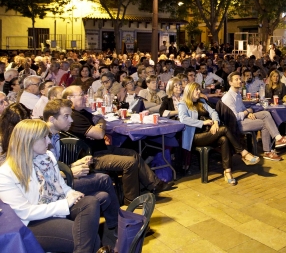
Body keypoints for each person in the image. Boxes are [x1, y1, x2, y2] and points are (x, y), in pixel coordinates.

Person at [0, 119, 103, 253]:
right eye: (44, 138)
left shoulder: (47, 156)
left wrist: (71, 193)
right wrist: (65, 204)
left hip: (54, 205)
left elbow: (61, 185)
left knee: (91, 202)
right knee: (92, 239)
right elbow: (25, 212)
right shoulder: (6, 173)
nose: (49, 142)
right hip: (32, 222)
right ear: (29, 141)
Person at [63, 86, 173, 205]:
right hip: (92, 157)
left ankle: (154, 184)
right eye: (81, 94)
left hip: (101, 149)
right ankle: (131, 200)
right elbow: (99, 133)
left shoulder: (82, 112)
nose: (85, 97)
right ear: (70, 98)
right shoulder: (74, 117)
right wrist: (99, 125)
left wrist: (99, 124)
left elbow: (99, 122)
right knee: (129, 162)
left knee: (133, 153)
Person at [44, 99, 119, 241]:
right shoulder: (40, 139)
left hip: (61, 182)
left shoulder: (55, 135)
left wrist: (74, 165)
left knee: (103, 195)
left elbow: (53, 168)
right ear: (52, 119)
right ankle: (117, 226)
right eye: (66, 116)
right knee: (103, 179)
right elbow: (44, 177)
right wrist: (71, 172)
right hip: (55, 189)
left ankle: (109, 229)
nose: (71, 120)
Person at [178, 82, 260, 185]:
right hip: (195, 136)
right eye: (196, 90)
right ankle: (243, 152)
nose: (199, 92)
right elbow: (183, 119)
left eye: (199, 89)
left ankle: (228, 172)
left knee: (224, 139)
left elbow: (213, 112)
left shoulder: (202, 101)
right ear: (189, 91)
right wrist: (203, 123)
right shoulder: (183, 104)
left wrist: (216, 122)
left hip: (209, 133)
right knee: (224, 129)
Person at [222, 72, 286, 161]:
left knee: (266, 113)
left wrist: (248, 112)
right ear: (230, 82)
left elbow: (242, 108)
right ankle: (268, 151)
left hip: (244, 117)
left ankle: (278, 138)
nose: (239, 81)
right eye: (236, 80)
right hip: (236, 124)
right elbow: (234, 117)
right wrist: (247, 112)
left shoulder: (237, 94)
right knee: (265, 123)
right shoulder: (228, 97)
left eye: (239, 79)